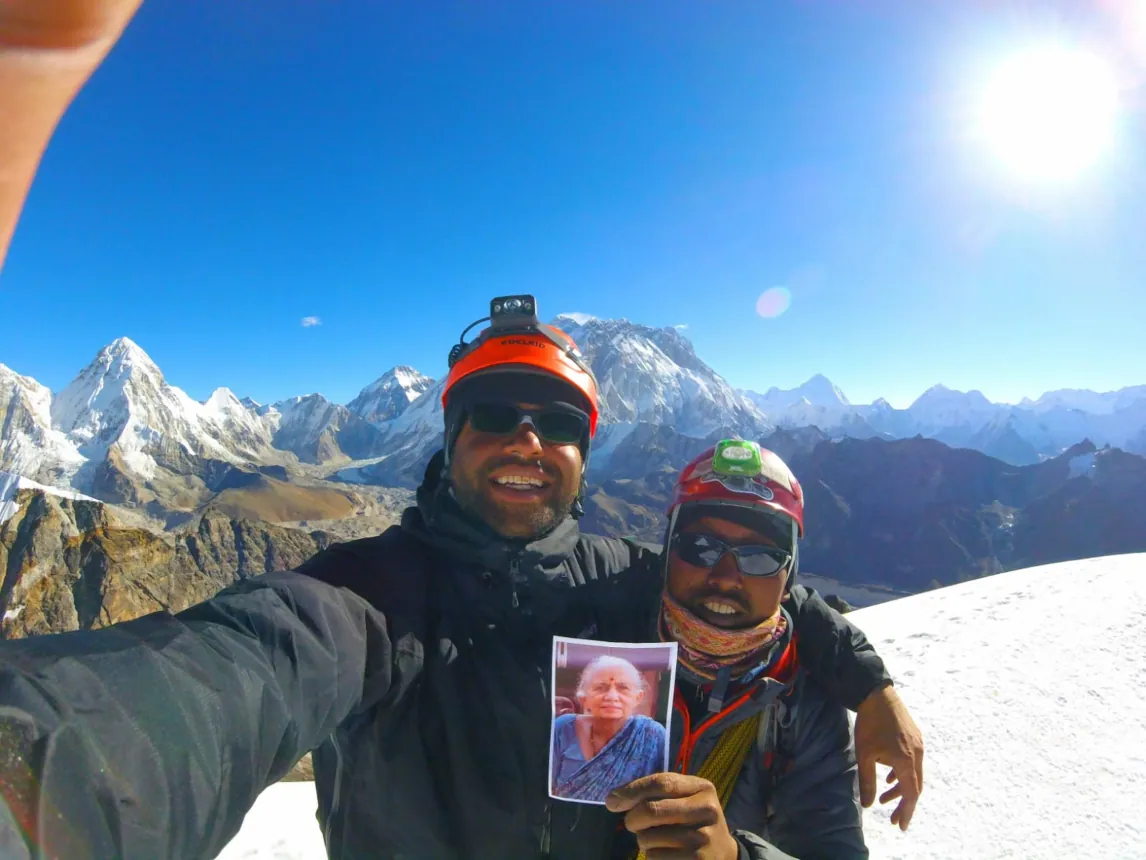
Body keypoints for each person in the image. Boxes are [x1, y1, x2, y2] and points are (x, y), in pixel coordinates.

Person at [0, 4, 924, 859]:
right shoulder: (363, 601)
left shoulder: (624, 582)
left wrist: (867, 681)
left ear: (582, 452)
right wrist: (48, 766)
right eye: (494, 415)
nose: (526, 439)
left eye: (557, 422)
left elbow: (742, 589)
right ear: (448, 435)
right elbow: (237, 671)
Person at [607, 440, 872, 859]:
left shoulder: (804, 703)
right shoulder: (601, 633)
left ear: (788, 578)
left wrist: (736, 856)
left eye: (761, 558)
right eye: (701, 547)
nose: (727, 577)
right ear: (669, 551)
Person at [551, 655, 667, 803]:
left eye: (623, 688)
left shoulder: (652, 735)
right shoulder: (563, 727)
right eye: (600, 688)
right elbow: (547, 786)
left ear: (638, 697)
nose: (612, 696)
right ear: (583, 698)